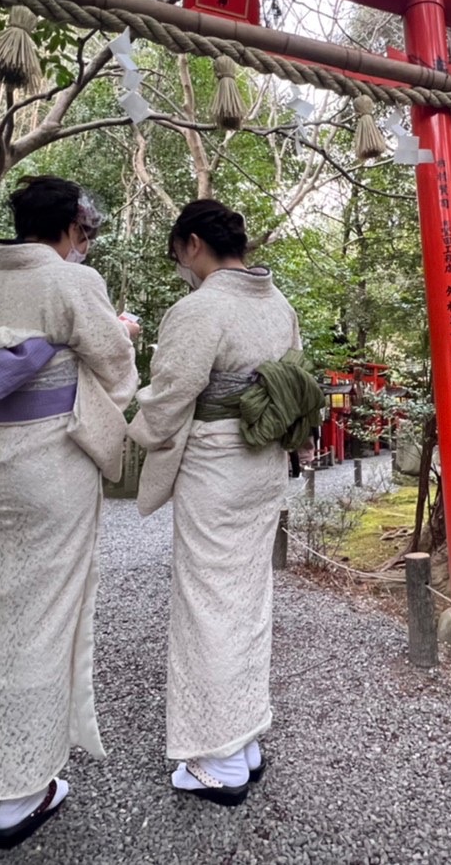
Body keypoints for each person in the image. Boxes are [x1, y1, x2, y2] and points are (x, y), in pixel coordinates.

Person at [0, 176, 138, 849]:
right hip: (51, 468)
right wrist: (121, 332)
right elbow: (117, 374)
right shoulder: (76, 284)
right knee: (44, 618)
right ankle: (23, 791)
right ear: (74, 226)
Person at [129, 199, 322, 806]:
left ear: (192, 244)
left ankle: (217, 758)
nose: (182, 269)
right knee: (245, 598)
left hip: (215, 464)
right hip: (262, 465)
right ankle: (243, 738)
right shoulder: (279, 304)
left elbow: (172, 398)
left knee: (208, 601)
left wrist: (126, 426)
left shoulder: (200, 308)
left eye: (179, 257)